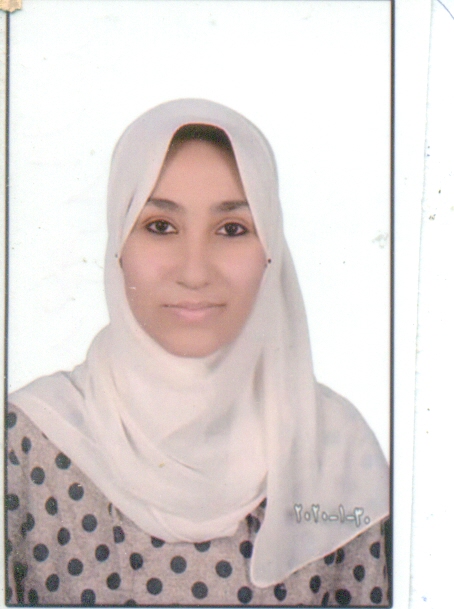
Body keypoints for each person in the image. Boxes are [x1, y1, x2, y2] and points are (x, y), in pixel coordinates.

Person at [6, 99, 390, 606]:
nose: (194, 271)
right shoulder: (27, 442)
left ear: (271, 250)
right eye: (160, 226)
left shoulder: (336, 451)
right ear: (118, 244)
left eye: (231, 229)